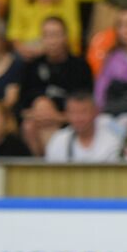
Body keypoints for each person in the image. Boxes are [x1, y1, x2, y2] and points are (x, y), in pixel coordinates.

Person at [16, 17, 93, 156]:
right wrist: (39, 114)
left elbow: (87, 104)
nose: (52, 41)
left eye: (56, 35)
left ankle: (49, 168)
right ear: (42, 39)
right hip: (36, 123)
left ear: (65, 37)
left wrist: (57, 117)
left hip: (68, 122)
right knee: (29, 124)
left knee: (45, 119)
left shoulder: (80, 67)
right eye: (47, 35)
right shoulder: (31, 67)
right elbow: (20, 107)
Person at [44, 92, 122, 162]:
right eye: (73, 112)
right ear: (66, 114)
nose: (78, 118)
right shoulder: (58, 140)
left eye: (83, 112)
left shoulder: (113, 141)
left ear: (95, 112)